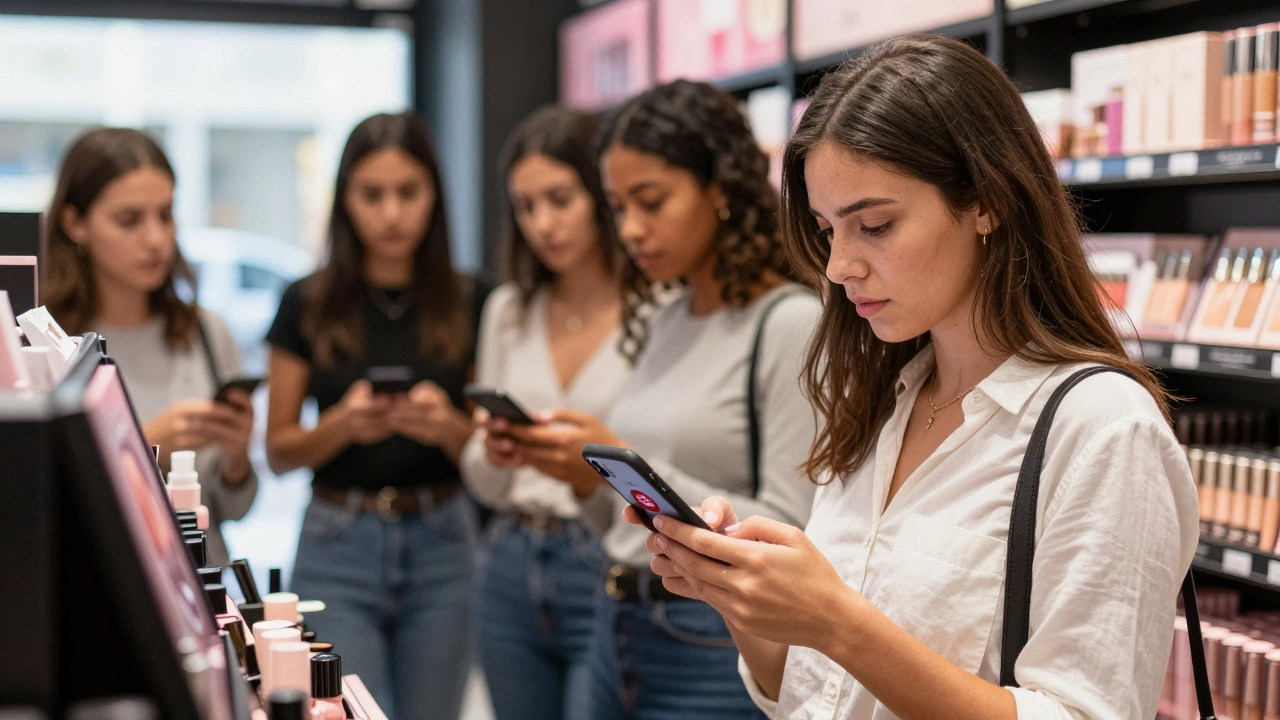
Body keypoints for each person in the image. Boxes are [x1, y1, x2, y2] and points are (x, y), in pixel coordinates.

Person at [633, 35, 1199, 720]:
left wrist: (837, 621)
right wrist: (746, 602)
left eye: (874, 225)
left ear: (986, 202)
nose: (839, 266)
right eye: (826, 229)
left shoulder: (1103, 428)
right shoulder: (878, 401)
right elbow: (808, 696)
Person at [501, 80, 821, 720]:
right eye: (618, 207)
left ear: (719, 187)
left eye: (651, 202)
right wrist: (590, 476)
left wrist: (628, 461)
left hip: (711, 643)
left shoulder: (787, 324)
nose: (631, 230)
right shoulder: (666, 315)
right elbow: (623, 526)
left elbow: (792, 533)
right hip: (615, 621)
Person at [264, 112, 487, 720]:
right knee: (344, 714)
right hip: (338, 538)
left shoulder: (472, 299)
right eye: (372, 194)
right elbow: (279, 452)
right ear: (345, 201)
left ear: (434, 196)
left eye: (408, 193)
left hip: (444, 536)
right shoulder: (306, 301)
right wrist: (340, 427)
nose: (391, 214)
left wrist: (447, 427)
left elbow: (495, 451)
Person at [459, 105, 630, 720]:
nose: (543, 224)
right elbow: (481, 477)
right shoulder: (509, 309)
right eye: (526, 207)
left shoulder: (657, 308)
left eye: (560, 199)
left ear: (603, 193)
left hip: (606, 557)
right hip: (508, 556)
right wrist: (493, 451)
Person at [43, 128, 256, 567]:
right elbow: (43, 503)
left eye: (166, 214)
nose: (156, 238)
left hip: (200, 586)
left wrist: (237, 459)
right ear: (74, 223)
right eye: (130, 220)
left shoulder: (206, 334)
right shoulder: (44, 344)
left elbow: (232, 510)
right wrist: (144, 448)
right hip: (97, 584)